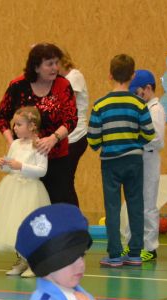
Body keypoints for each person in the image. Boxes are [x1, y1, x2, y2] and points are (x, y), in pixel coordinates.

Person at [86, 54, 154, 268]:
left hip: (110, 162)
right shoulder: (139, 104)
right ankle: (135, 253)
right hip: (134, 160)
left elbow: (93, 138)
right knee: (136, 205)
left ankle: (114, 254)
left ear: (110, 75)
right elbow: (149, 133)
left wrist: (103, 144)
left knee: (112, 207)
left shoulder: (100, 105)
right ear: (132, 76)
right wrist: (135, 143)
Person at [0, 43, 79, 206]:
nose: (55, 68)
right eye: (49, 64)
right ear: (36, 67)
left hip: (56, 156)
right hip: (26, 160)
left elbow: (71, 119)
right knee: (27, 205)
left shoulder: (63, 85)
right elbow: (1, 116)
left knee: (61, 202)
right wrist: (12, 142)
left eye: (56, 63)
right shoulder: (18, 85)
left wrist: (53, 139)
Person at [0, 107, 50, 275]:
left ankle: (34, 263)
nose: (15, 128)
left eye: (19, 124)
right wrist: (4, 165)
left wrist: (21, 166)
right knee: (15, 227)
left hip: (30, 191)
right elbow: (10, 168)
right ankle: (22, 260)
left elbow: (42, 170)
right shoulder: (15, 144)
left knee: (29, 228)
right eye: (14, 124)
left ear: (32, 126)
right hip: (13, 190)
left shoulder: (39, 144)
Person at [130, 69, 166, 262]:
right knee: (135, 203)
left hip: (149, 159)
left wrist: (135, 137)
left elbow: (157, 139)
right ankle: (135, 244)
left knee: (148, 204)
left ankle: (150, 247)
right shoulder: (142, 108)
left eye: (138, 92)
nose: (136, 96)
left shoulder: (156, 109)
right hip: (138, 159)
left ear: (148, 88)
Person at [58, 51, 91, 209]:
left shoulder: (74, 76)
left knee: (64, 181)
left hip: (76, 136)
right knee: (62, 181)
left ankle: (73, 218)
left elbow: (66, 102)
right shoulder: (59, 81)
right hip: (65, 137)